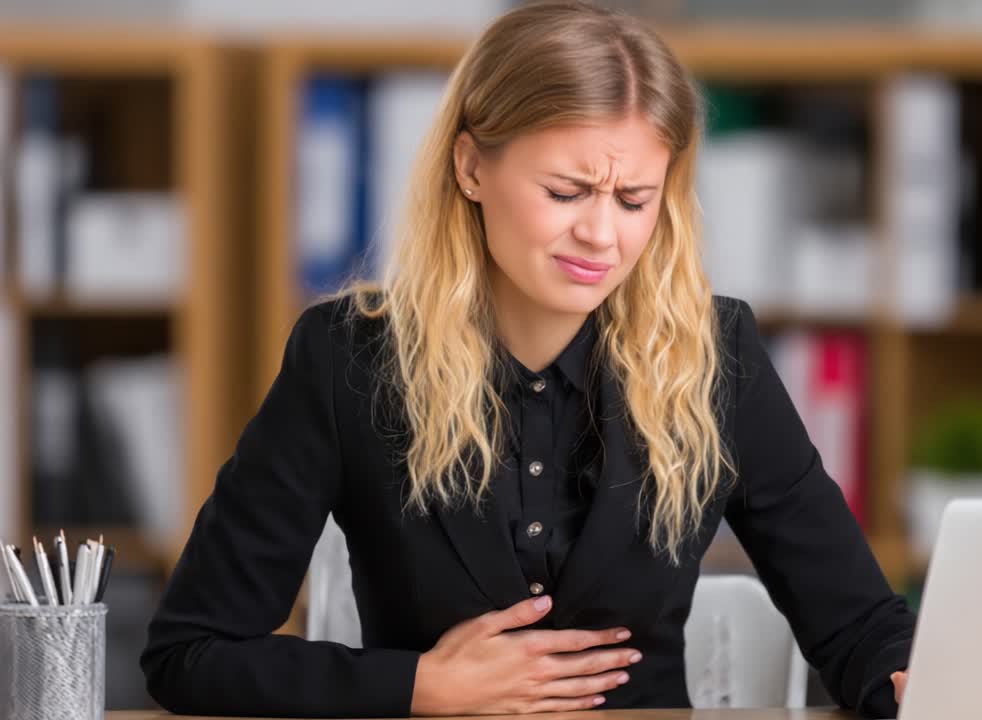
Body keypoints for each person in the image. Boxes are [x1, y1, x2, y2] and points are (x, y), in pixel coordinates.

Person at [140, 1, 914, 716]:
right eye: (567, 191)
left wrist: (907, 683)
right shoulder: (348, 359)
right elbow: (190, 655)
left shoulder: (716, 357)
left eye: (634, 199)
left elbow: (859, 629)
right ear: (471, 167)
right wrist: (418, 686)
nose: (602, 237)